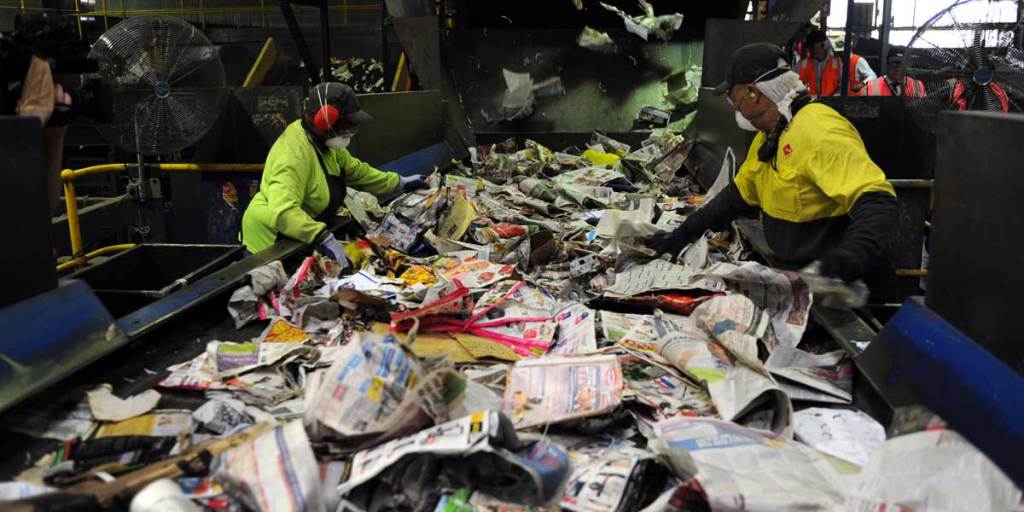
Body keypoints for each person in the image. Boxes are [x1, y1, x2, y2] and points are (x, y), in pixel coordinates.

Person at [647, 43, 899, 285]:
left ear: (753, 94)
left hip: (839, 287)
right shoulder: (769, 136)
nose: (733, 107)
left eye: (734, 98)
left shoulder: (819, 129)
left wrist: (848, 259)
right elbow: (737, 196)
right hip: (799, 276)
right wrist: (685, 231)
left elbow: (877, 201)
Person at [241, 82, 428, 258]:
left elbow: (357, 172)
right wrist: (322, 237)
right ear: (322, 121)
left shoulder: (326, 144)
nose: (348, 133)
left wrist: (399, 182)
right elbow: (283, 213)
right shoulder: (293, 155)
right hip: (272, 243)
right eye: (345, 127)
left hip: (301, 232)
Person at [797, 30, 875, 96]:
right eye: (837, 52)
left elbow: (872, 76)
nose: (838, 55)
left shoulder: (857, 61)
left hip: (852, 99)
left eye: (841, 52)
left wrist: (862, 84)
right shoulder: (836, 62)